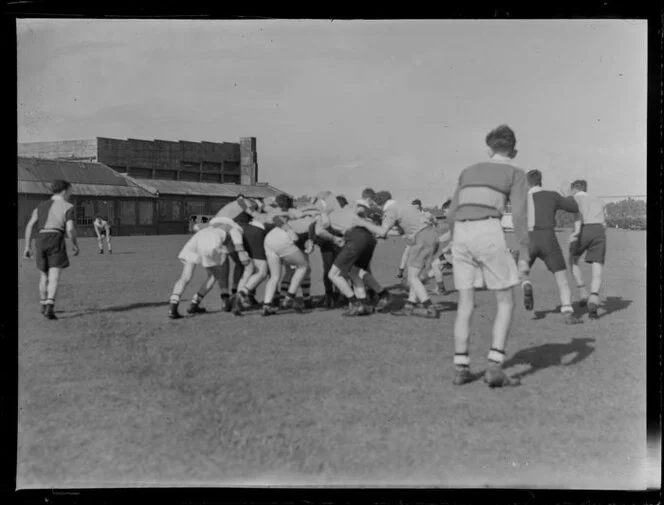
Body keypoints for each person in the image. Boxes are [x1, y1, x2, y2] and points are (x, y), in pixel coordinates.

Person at [446, 124, 530, 388]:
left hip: (460, 232)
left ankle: (461, 367)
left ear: (488, 148)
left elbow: (450, 212)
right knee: (505, 301)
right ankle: (495, 366)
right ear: (514, 150)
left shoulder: (468, 171)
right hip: (488, 230)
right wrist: (524, 252)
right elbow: (518, 215)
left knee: (466, 303)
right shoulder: (516, 173)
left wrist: (454, 241)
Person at [354, 193, 441, 318]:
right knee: (414, 275)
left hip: (422, 239)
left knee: (412, 278)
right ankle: (410, 305)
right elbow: (400, 232)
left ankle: (430, 307)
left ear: (378, 203)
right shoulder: (402, 205)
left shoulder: (390, 210)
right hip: (430, 236)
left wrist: (364, 224)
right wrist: (381, 233)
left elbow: (383, 230)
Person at [522, 170, 582, 324]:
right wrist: (567, 193)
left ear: (527, 183)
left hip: (529, 238)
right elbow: (574, 207)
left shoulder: (522, 198)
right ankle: (568, 312)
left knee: (521, 270)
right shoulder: (552, 195)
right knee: (561, 278)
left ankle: (526, 283)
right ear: (541, 181)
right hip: (548, 238)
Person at [319, 193, 393, 316]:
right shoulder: (348, 211)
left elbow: (324, 226)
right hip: (369, 239)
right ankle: (379, 296)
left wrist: (322, 214)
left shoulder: (328, 213)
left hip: (355, 239)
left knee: (333, 274)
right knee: (356, 272)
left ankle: (355, 303)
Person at [22, 180, 80, 320]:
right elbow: (70, 228)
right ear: (64, 191)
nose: (70, 195)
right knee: (54, 275)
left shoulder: (40, 206)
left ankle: (43, 304)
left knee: (44, 275)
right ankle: (50, 307)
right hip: (55, 237)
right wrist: (75, 244)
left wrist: (27, 247)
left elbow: (30, 226)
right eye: (70, 191)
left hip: (40, 239)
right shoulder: (68, 206)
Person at [168, 221, 250, 319]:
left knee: (185, 276)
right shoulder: (230, 232)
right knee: (213, 276)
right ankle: (194, 304)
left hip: (195, 241)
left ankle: (173, 307)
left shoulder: (209, 226)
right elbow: (227, 256)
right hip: (210, 244)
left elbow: (195, 226)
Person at [567, 179, 607, 319]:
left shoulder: (575, 199)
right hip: (599, 230)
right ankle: (593, 299)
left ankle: (583, 291)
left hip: (583, 229)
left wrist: (576, 232)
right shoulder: (598, 199)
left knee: (572, 261)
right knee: (597, 269)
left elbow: (577, 215)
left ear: (575, 189)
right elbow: (604, 221)